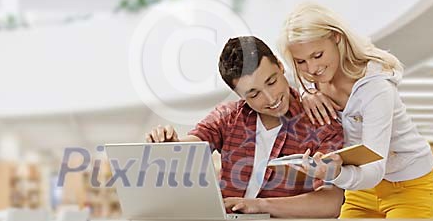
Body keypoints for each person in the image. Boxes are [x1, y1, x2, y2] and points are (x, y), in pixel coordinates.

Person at [147, 36, 344, 218]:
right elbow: (194, 145)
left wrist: (260, 205)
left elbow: (331, 202)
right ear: (239, 95)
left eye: (272, 81)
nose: (271, 98)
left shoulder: (321, 121)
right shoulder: (228, 117)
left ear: (280, 65)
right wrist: (172, 145)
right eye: (254, 94)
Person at [279, 2, 433, 218]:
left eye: (317, 55)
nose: (312, 69)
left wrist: (334, 173)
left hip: (409, 184)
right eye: (301, 61)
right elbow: (295, 82)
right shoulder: (312, 81)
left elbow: (374, 169)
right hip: (361, 187)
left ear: (337, 37)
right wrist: (307, 92)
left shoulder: (375, 87)